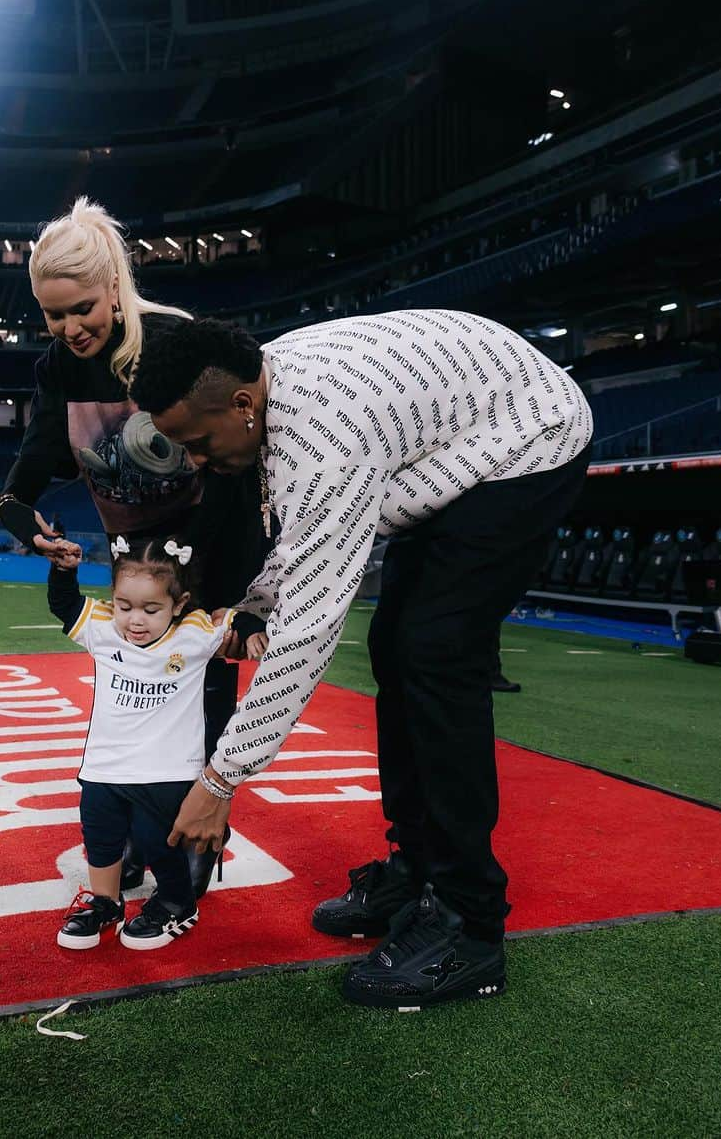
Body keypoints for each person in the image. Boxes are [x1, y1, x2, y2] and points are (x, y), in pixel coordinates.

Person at [130, 310, 593, 1010]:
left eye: (197, 441)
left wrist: (219, 781)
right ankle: (418, 872)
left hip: (530, 436)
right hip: (454, 439)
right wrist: (255, 602)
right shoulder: (267, 391)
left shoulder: (322, 438)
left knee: (437, 649)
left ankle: (469, 922)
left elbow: (308, 634)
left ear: (244, 404)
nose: (194, 460)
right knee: (395, 643)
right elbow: (305, 535)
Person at [0, 197, 272, 894]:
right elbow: (19, 485)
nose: (68, 327)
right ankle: (151, 832)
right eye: (52, 315)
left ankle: (194, 843)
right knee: (139, 708)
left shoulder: (175, 338)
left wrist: (247, 600)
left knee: (201, 716)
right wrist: (23, 522)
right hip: (135, 575)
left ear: (115, 285)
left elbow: (243, 464)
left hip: (208, 567)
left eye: (82, 308)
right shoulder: (58, 369)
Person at [46, 534, 266, 951]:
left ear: (178, 604)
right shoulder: (103, 628)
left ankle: (177, 901)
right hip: (104, 766)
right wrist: (63, 570)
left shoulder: (193, 632)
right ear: (113, 599)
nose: (135, 620)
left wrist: (250, 628)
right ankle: (106, 904)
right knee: (100, 836)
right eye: (125, 606)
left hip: (167, 770)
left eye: (151, 609)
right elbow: (65, 606)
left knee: (156, 840)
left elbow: (229, 618)